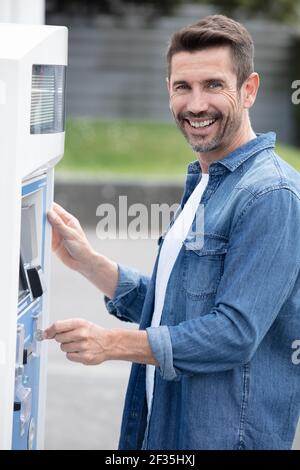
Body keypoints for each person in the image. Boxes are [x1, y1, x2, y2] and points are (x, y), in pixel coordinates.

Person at [45, 15, 300, 450]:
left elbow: (233, 333)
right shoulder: (204, 182)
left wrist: (110, 343)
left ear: (249, 89)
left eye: (214, 85)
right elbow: (179, 310)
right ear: (168, 90)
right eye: (183, 87)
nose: (196, 104)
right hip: (162, 429)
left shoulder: (270, 194)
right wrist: (91, 264)